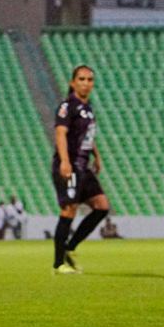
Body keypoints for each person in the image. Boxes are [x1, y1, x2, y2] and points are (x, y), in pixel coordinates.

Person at [51, 65, 111, 274]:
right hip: (71, 164)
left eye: (89, 79)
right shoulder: (68, 106)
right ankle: (58, 264)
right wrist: (65, 162)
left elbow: (86, 135)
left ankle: (70, 247)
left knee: (102, 206)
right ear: (72, 82)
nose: (86, 83)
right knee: (69, 209)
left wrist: (97, 154)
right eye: (82, 79)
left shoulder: (88, 108)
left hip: (84, 166)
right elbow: (61, 134)